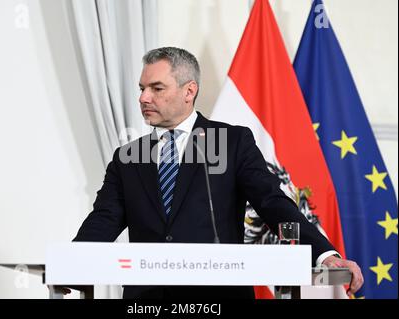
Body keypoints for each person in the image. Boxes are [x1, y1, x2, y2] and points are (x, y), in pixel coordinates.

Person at [73, 47, 363, 299]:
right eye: (142, 88)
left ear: (189, 91)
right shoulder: (127, 158)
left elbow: (272, 202)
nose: (144, 98)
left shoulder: (232, 143)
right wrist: (70, 262)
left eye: (156, 88)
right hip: (148, 299)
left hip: (218, 296)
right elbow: (104, 218)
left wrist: (324, 254)